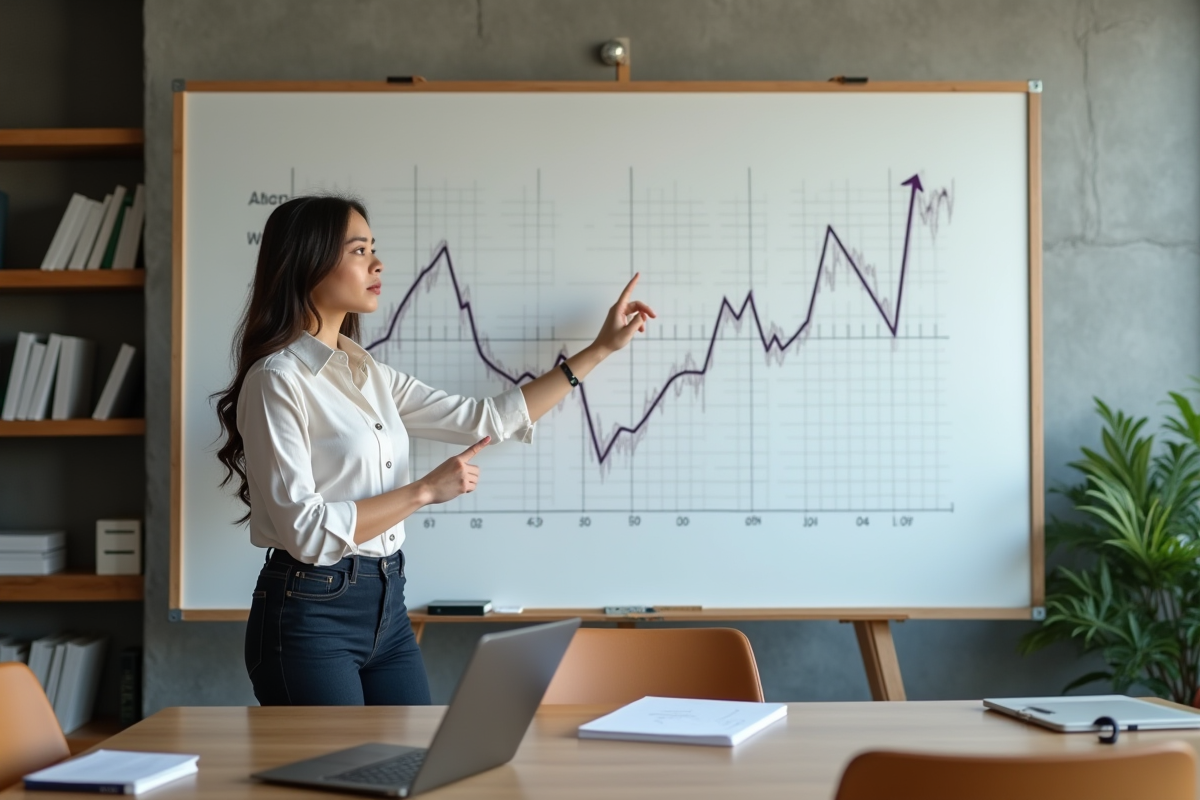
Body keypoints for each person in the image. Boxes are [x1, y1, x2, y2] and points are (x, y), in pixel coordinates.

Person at [212, 195, 655, 705]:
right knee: (338, 759)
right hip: (310, 611)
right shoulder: (277, 380)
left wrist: (599, 350)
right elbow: (306, 532)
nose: (378, 264)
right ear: (308, 261)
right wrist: (423, 491)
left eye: (373, 248)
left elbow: (486, 419)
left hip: (388, 601)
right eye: (359, 251)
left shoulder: (370, 375)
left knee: (411, 751)